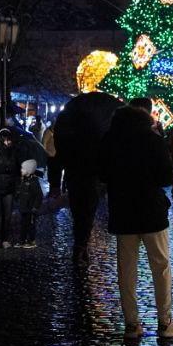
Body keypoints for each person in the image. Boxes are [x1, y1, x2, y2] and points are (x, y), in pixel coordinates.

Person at [100, 98, 173, 340]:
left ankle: (131, 324)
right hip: (152, 212)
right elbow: (166, 177)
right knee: (160, 267)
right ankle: (165, 322)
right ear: (146, 114)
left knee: (126, 270)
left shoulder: (111, 139)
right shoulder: (152, 139)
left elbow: (103, 173)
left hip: (123, 211)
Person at [54, 90, 122, 264]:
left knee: (80, 211)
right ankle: (81, 245)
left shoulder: (69, 128)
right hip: (91, 173)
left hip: (75, 172)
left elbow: (60, 148)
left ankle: (80, 244)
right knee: (87, 210)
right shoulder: (98, 133)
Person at [42, 118, 62, 198]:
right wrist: (48, 153)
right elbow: (43, 145)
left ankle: (56, 192)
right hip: (51, 157)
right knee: (52, 175)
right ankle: (52, 192)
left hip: (57, 157)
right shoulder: (48, 132)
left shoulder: (57, 132)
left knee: (57, 175)